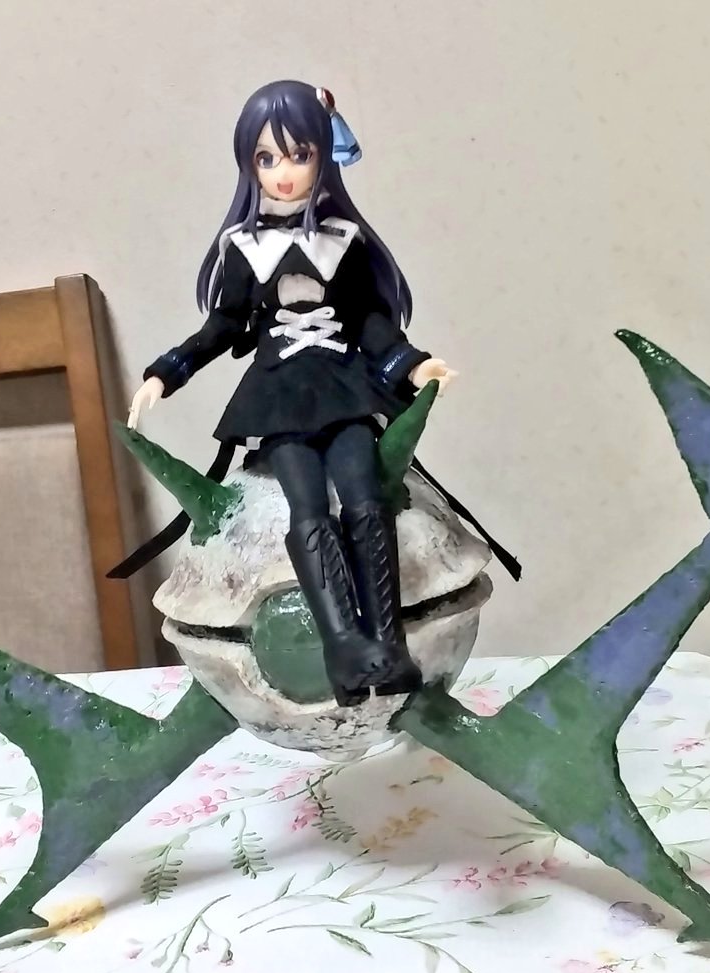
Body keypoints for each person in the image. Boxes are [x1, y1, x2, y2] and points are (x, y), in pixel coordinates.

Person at [127, 80, 481, 707]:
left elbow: (371, 323)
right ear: (249, 163)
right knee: (308, 508)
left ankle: (387, 643)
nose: (284, 171)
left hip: (345, 390)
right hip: (280, 399)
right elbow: (221, 327)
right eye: (267, 157)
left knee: (365, 498)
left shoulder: (342, 240)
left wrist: (412, 364)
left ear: (321, 155)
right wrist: (167, 372)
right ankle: (344, 648)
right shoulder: (243, 248)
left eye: (299, 154)